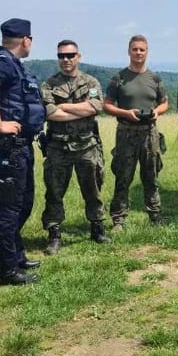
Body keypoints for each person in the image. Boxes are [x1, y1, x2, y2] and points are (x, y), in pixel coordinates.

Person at [0, 18, 46, 286]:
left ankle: (15, 255)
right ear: (26, 40)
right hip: (8, 149)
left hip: (21, 147)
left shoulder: (14, 64)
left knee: (23, 204)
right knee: (10, 208)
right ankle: (8, 270)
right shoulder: (2, 63)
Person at [40, 39, 109, 250]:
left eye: (70, 55)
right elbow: (50, 113)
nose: (66, 59)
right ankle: (54, 234)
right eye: (61, 56)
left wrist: (64, 107)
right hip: (58, 147)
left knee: (93, 189)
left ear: (78, 56)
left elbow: (95, 106)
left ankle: (97, 229)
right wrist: (81, 109)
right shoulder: (49, 85)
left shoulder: (90, 82)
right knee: (54, 192)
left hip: (86, 145)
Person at [103, 35, 169, 232]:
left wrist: (157, 112)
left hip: (150, 133)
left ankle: (155, 215)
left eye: (142, 49)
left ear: (147, 52)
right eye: (135, 49)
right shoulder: (119, 78)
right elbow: (107, 105)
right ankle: (119, 220)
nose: (138, 53)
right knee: (123, 177)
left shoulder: (154, 78)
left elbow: (164, 102)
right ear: (129, 51)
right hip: (126, 133)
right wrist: (125, 113)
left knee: (151, 176)